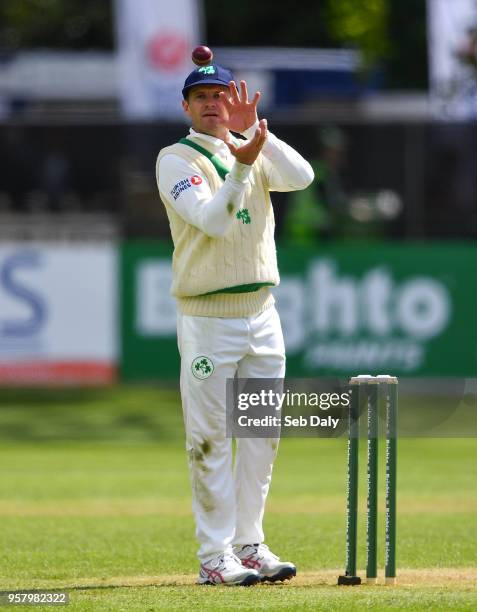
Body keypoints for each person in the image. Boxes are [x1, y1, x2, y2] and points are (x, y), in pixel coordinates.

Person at [156, 61, 314, 586]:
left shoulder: (249, 143)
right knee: (210, 439)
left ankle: (250, 544)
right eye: (199, 96)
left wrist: (256, 136)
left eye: (220, 95)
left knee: (260, 434)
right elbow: (214, 221)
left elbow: (302, 176)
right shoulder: (175, 159)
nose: (211, 103)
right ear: (185, 106)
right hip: (208, 319)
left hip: (262, 316)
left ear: (234, 101)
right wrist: (243, 165)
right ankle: (213, 556)